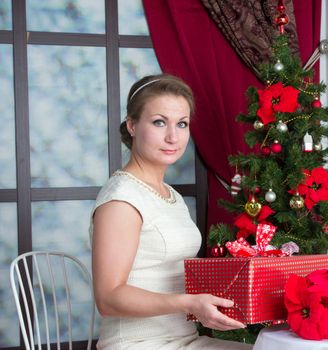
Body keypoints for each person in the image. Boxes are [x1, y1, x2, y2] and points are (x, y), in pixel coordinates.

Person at [90, 73, 253, 349]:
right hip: (138, 343)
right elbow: (108, 298)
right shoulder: (122, 200)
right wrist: (189, 302)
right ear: (132, 125)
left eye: (182, 124)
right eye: (159, 122)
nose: (172, 136)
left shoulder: (171, 195)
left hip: (185, 340)